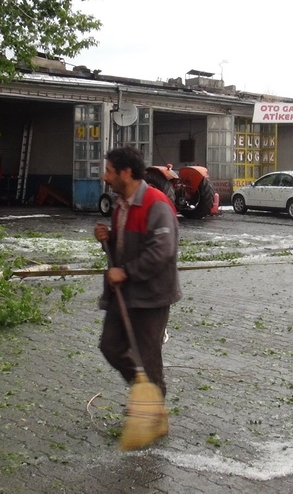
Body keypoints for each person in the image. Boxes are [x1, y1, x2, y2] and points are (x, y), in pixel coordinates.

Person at [93, 146, 180, 433]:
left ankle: (155, 416)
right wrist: (108, 237)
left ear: (126, 172)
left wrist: (126, 271)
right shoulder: (122, 203)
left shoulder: (156, 204)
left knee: (148, 356)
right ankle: (143, 393)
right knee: (111, 345)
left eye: (109, 170)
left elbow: (162, 251)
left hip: (151, 295)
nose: (105, 176)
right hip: (123, 293)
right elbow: (127, 243)